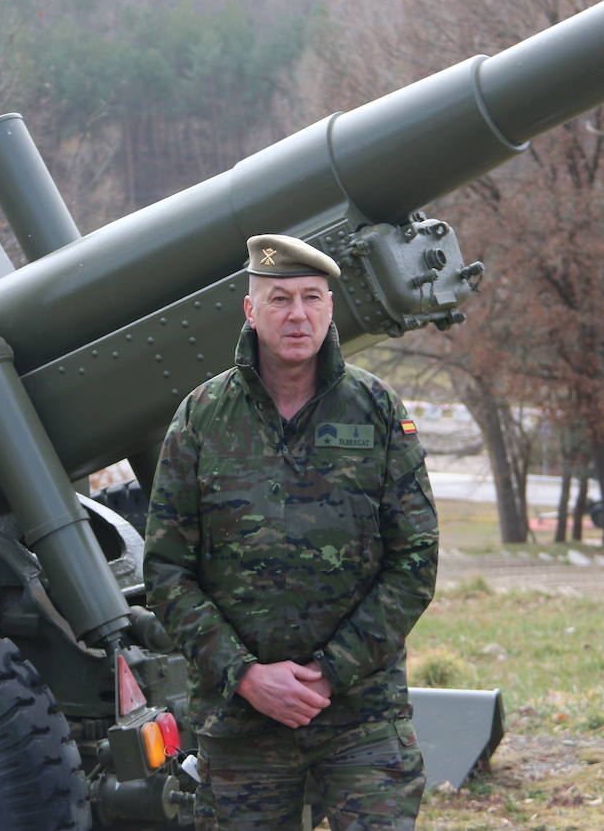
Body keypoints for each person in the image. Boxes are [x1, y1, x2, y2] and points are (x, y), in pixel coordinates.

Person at [144, 233, 438, 829]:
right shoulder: (202, 418)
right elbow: (167, 570)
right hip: (241, 722)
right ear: (251, 311)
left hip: (362, 715)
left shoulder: (377, 411)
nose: (297, 314)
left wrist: (331, 671)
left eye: (311, 297)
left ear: (331, 308)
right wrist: (246, 675)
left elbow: (415, 559)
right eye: (279, 299)